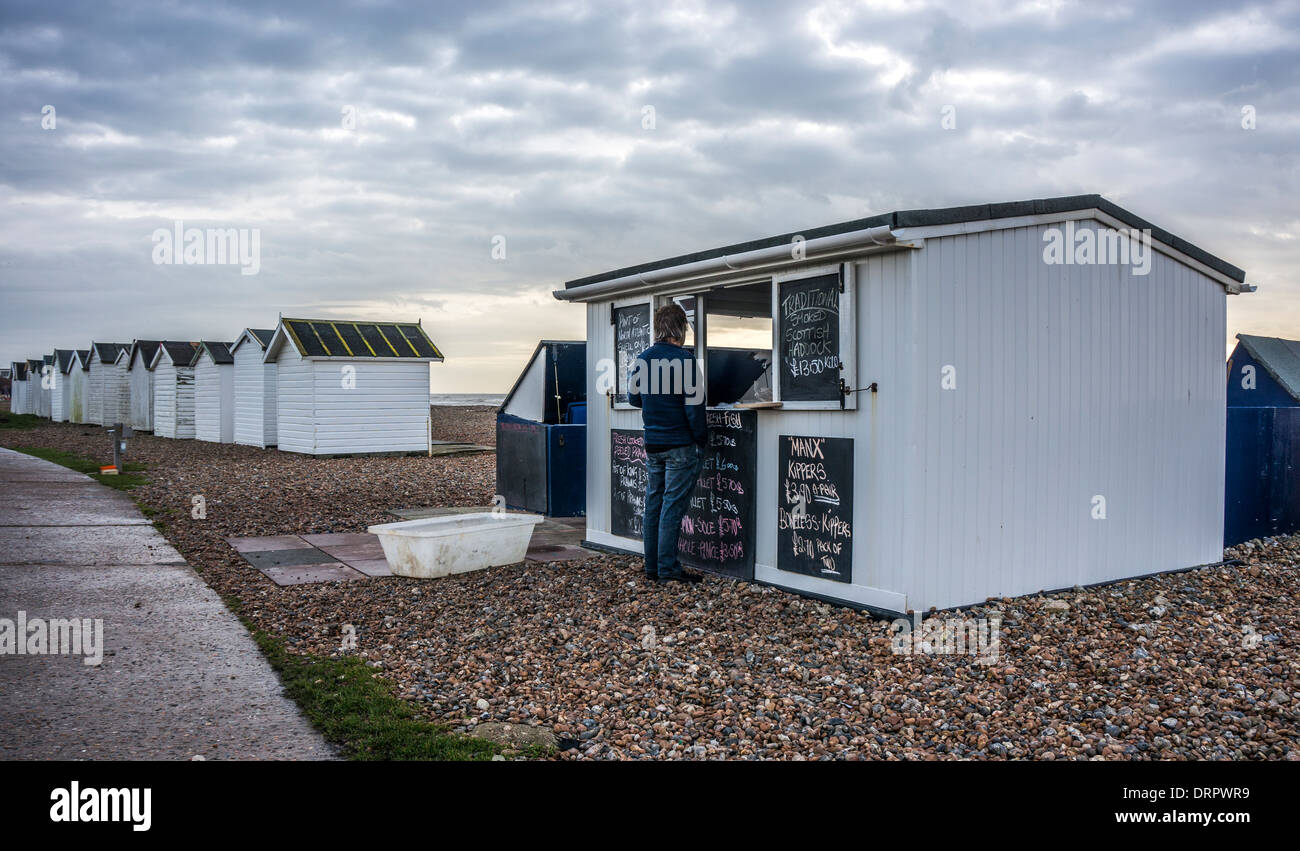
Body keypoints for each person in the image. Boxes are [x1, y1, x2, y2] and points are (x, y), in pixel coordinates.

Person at [628, 303, 708, 585]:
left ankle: (653, 567)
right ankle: (668, 570)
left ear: (658, 328)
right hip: (681, 445)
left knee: (654, 505)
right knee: (672, 508)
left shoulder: (642, 359)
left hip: (653, 444)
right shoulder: (686, 361)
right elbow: (695, 409)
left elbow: (634, 400)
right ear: (681, 329)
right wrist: (701, 439)